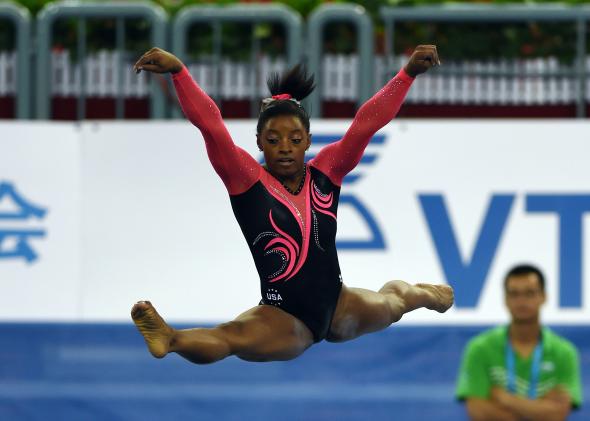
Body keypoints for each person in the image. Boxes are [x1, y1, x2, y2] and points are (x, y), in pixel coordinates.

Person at [130, 44, 454, 364]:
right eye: (273, 140)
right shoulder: (246, 180)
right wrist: (179, 72)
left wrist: (407, 73)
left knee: (394, 302)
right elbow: (211, 126)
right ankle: (171, 339)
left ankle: (426, 294)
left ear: (309, 141)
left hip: (339, 305)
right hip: (284, 317)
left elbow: (367, 124)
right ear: (258, 142)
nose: (285, 148)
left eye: (295, 140)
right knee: (231, 337)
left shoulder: (327, 172)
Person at [456, 264, 583, 421]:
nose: (521, 301)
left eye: (529, 293)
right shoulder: (479, 348)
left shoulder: (564, 352)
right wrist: (539, 407)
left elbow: (557, 414)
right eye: (514, 294)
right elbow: (477, 412)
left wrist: (503, 398)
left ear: (544, 296)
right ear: (505, 299)